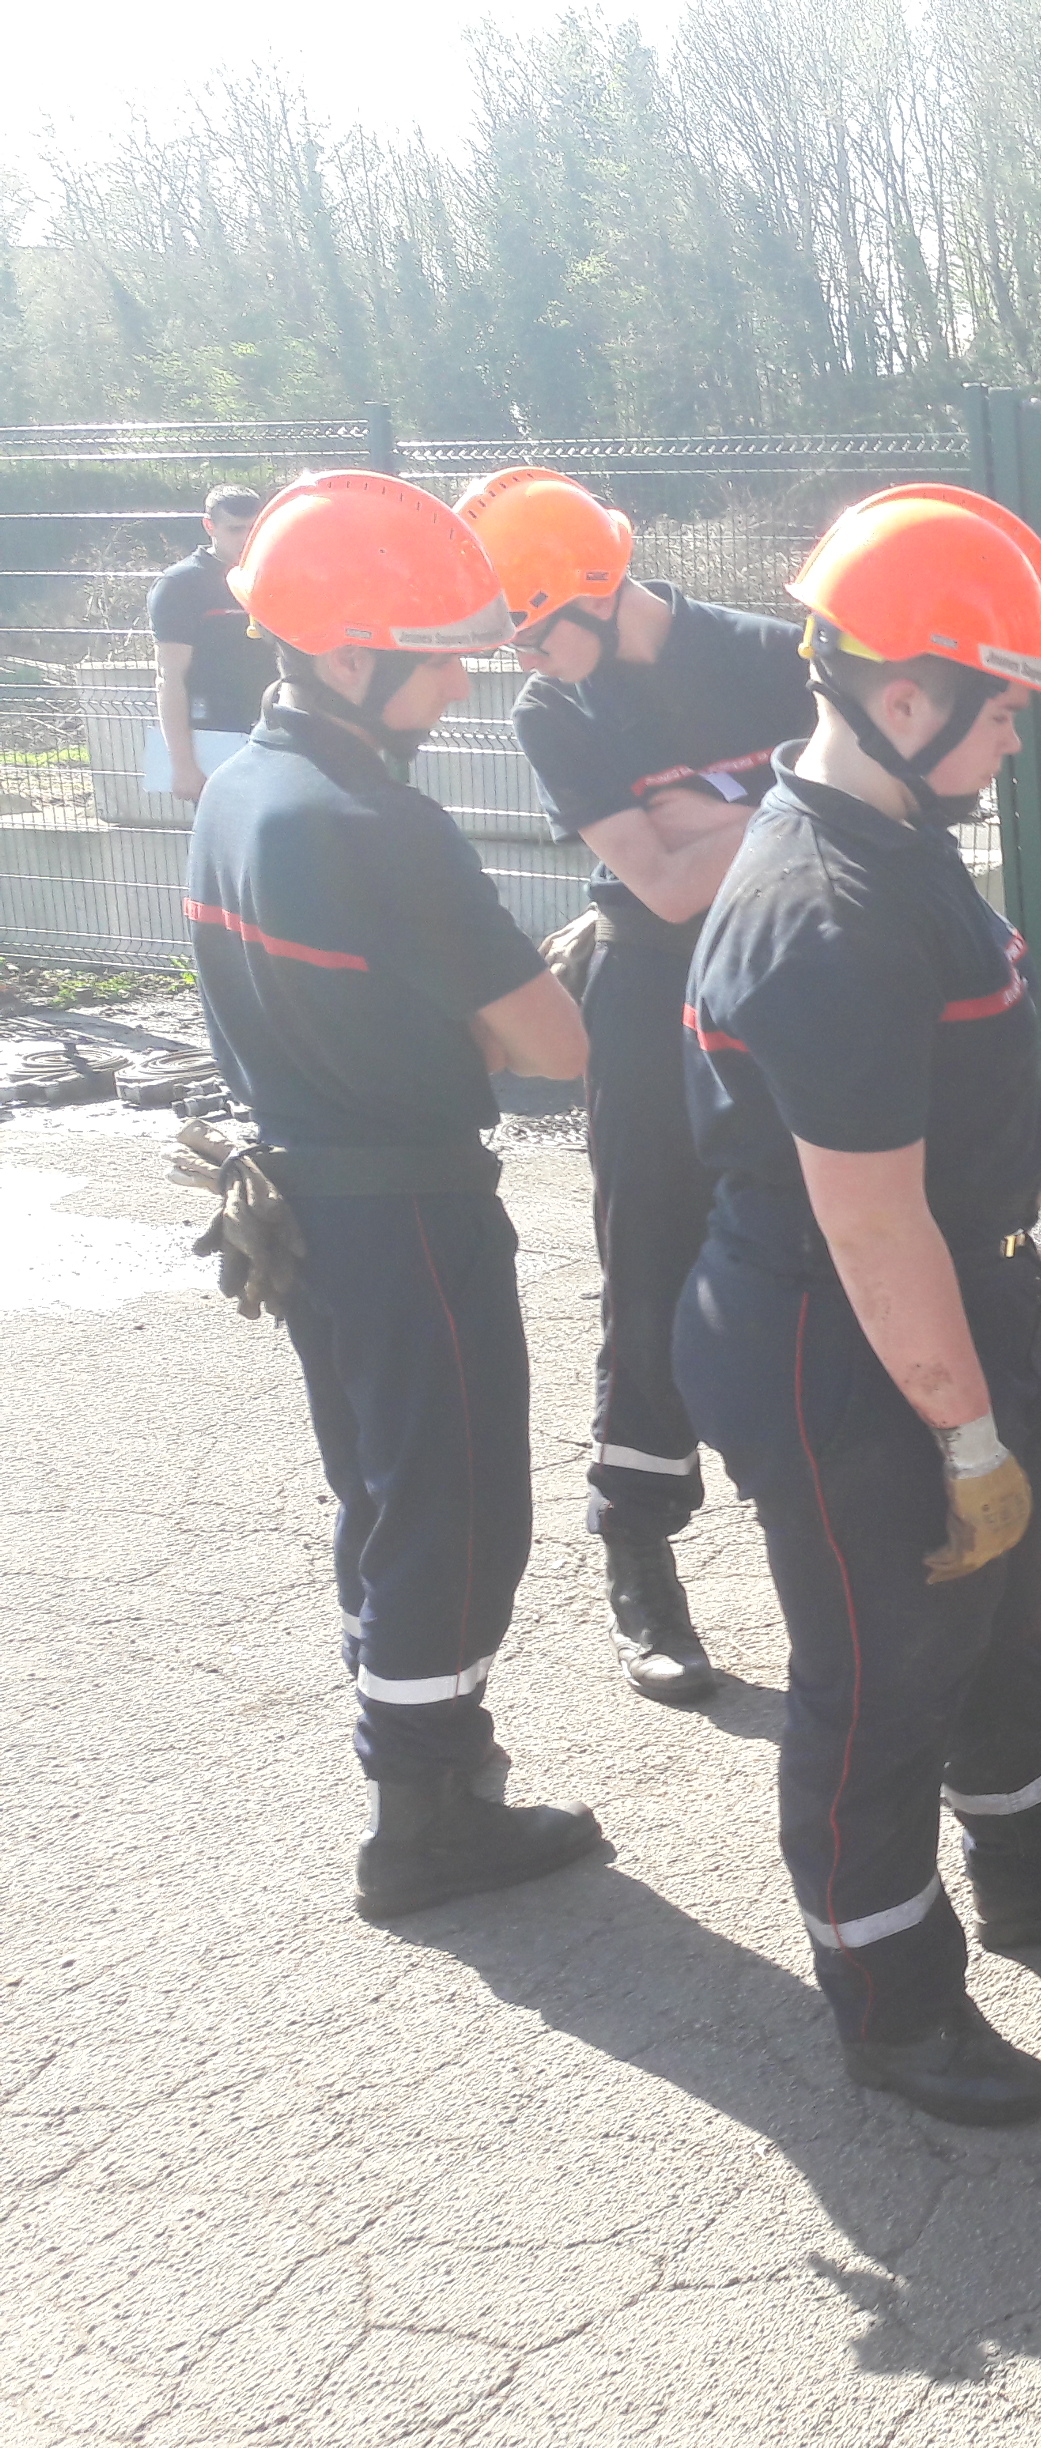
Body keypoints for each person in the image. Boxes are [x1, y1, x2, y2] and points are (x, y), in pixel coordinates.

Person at [673, 485, 1041, 2128]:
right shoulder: (822, 916)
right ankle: (892, 1996)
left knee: (996, 1619)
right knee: (881, 1676)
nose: (1020, 742)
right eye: (1005, 711)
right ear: (902, 696)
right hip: (852, 1337)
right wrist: (962, 1428)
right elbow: (867, 1216)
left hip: (943, 1302)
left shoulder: (895, 835)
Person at [182, 470, 604, 1920]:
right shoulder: (380, 826)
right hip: (409, 1206)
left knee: (383, 1489)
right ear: (350, 651)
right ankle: (423, 1817)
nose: (465, 671)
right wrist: (552, 980)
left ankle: (422, 1770)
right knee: (459, 1503)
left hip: (305, 1192)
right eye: (439, 648)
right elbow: (552, 1046)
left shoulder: (244, 785)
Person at [460, 465, 816, 1704]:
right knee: (651, 1262)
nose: (527, 660)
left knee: (819, 1242)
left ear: (599, 588)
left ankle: (837, 1533)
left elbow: (878, 809)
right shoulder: (554, 713)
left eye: (537, 629)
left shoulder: (778, 656)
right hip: (649, 991)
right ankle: (639, 1548)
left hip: (782, 980)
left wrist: (700, 810)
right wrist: (776, 794)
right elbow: (660, 889)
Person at [147, 483, 275, 805]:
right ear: (209, 526)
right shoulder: (180, 585)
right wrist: (182, 764)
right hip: (215, 737)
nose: (246, 539)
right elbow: (169, 678)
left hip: (273, 734)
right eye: (235, 529)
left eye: (253, 529)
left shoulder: (275, 578)